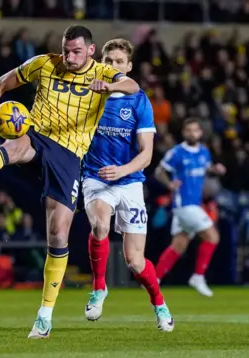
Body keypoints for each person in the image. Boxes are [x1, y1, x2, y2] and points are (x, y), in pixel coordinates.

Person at [0, 25, 140, 339]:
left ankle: (45, 315)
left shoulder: (103, 72)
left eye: (76, 51)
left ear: (91, 50)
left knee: (58, 232)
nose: (69, 56)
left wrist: (108, 86)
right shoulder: (45, 63)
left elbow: (132, 85)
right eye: (66, 50)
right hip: (38, 135)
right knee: (16, 146)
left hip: (69, 154)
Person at [81, 38, 173, 332]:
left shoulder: (139, 100)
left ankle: (159, 304)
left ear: (129, 66)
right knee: (100, 226)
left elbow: (146, 154)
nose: (113, 66)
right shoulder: (88, 94)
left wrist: (122, 170)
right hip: (96, 177)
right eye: (108, 61)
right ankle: (99, 288)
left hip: (130, 181)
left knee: (135, 261)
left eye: (119, 62)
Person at [154, 118, 226, 297]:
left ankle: (153, 279)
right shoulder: (176, 153)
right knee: (212, 236)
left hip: (194, 204)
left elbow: (206, 169)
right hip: (184, 205)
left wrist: (215, 170)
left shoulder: (204, 152)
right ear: (184, 132)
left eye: (195, 130)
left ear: (200, 133)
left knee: (178, 245)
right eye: (189, 130)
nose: (192, 133)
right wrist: (169, 184)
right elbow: (159, 171)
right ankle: (198, 276)